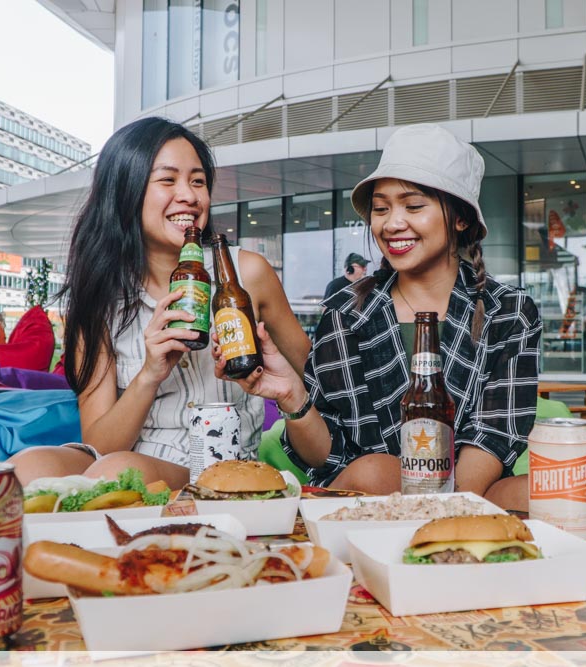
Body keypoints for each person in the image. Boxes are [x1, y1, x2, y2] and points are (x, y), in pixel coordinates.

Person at [216, 124, 542, 510]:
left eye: (414, 205)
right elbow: (329, 456)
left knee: (549, 492)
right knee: (374, 471)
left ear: (460, 218)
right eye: (381, 208)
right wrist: (292, 396)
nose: (391, 224)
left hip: (471, 492)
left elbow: (494, 434)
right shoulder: (344, 312)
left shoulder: (510, 311)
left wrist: (442, 509)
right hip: (369, 500)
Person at [7, 117, 310, 489]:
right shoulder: (101, 296)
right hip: (120, 456)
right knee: (24, 469)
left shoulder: (246, 274)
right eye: (168, 180)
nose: (189, 195)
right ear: (126, 192)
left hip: (214, 466)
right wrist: (150, 373)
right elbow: (100, 445)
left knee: (118, 474)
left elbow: (313, 377)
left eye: (197, 181)